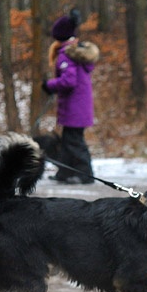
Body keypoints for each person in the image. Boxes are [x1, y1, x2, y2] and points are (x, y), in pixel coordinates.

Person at [42, 10, 99, 184]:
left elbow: (69, 81)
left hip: (74, 107)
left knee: (75, 142)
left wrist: (49, 85)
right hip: (77, 106)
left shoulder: (66, 54)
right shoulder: (75, 52)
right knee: (68, 141)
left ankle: (85, 174)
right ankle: (64, 173)